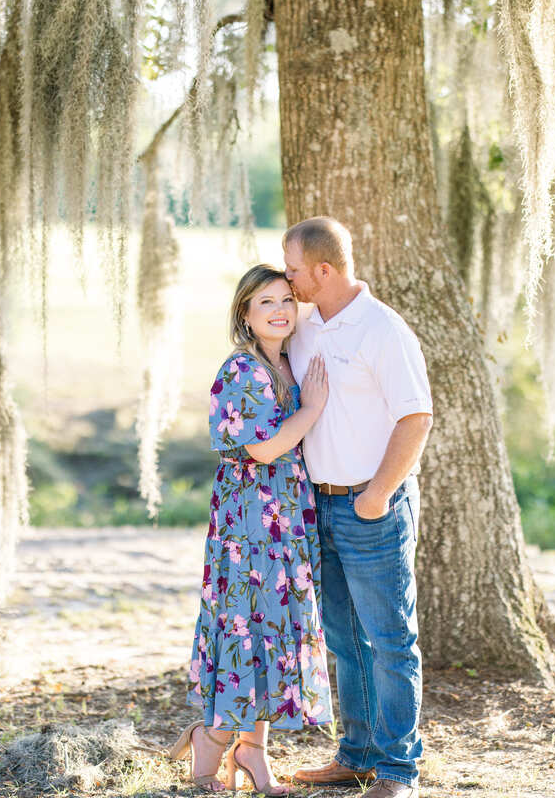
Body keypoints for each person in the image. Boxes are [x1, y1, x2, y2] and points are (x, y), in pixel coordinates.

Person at [168, 264, 333, 795]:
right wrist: (311, 409)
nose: (281, 309)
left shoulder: (285, 362)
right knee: (246, 621)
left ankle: (254, 755)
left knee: (271, 625)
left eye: (287, 299)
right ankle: (211, 741)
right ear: (245, 312)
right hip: (249, 522)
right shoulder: (242, 370)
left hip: (285, 516)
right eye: (266, 302)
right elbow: (263, 448)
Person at [283, 217, 433, 798]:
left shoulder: (383, 330)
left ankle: (398, 771)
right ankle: (357, 753)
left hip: (373, 506)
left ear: (324, 270)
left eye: (294, 270)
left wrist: (376, 495)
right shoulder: (305, 327)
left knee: (391, 640)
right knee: (344, 640)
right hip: (318, 507)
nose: (287, 278)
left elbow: (415, 417)